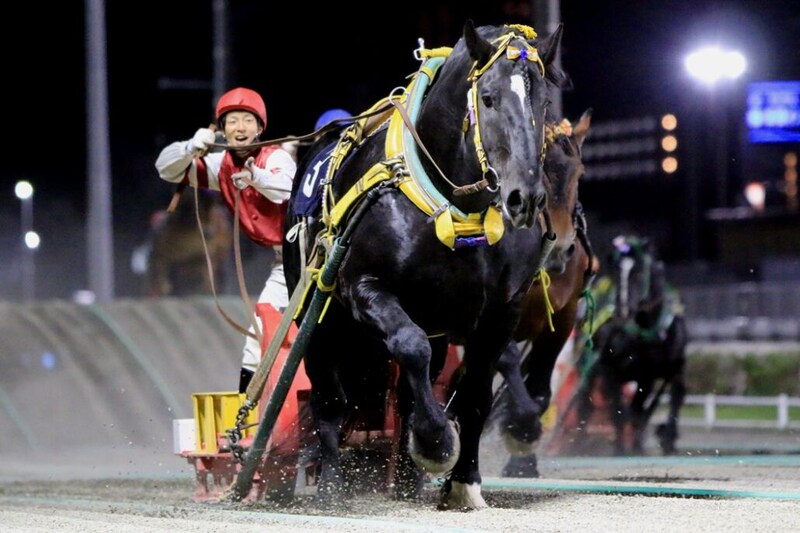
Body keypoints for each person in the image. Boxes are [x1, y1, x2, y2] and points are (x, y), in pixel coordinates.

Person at [155, 87, 297, 393]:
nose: (240, 128)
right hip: (285, 266)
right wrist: (190, 148)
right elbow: (165, 169)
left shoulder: (278, 157)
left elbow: (285, 189)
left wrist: (254, 178)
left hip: (313, 260)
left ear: (260, 128)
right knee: (256, 338)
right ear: (222, 128)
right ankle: (246, 424)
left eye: (247, 120)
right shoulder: (221, 166)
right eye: (232, 121)